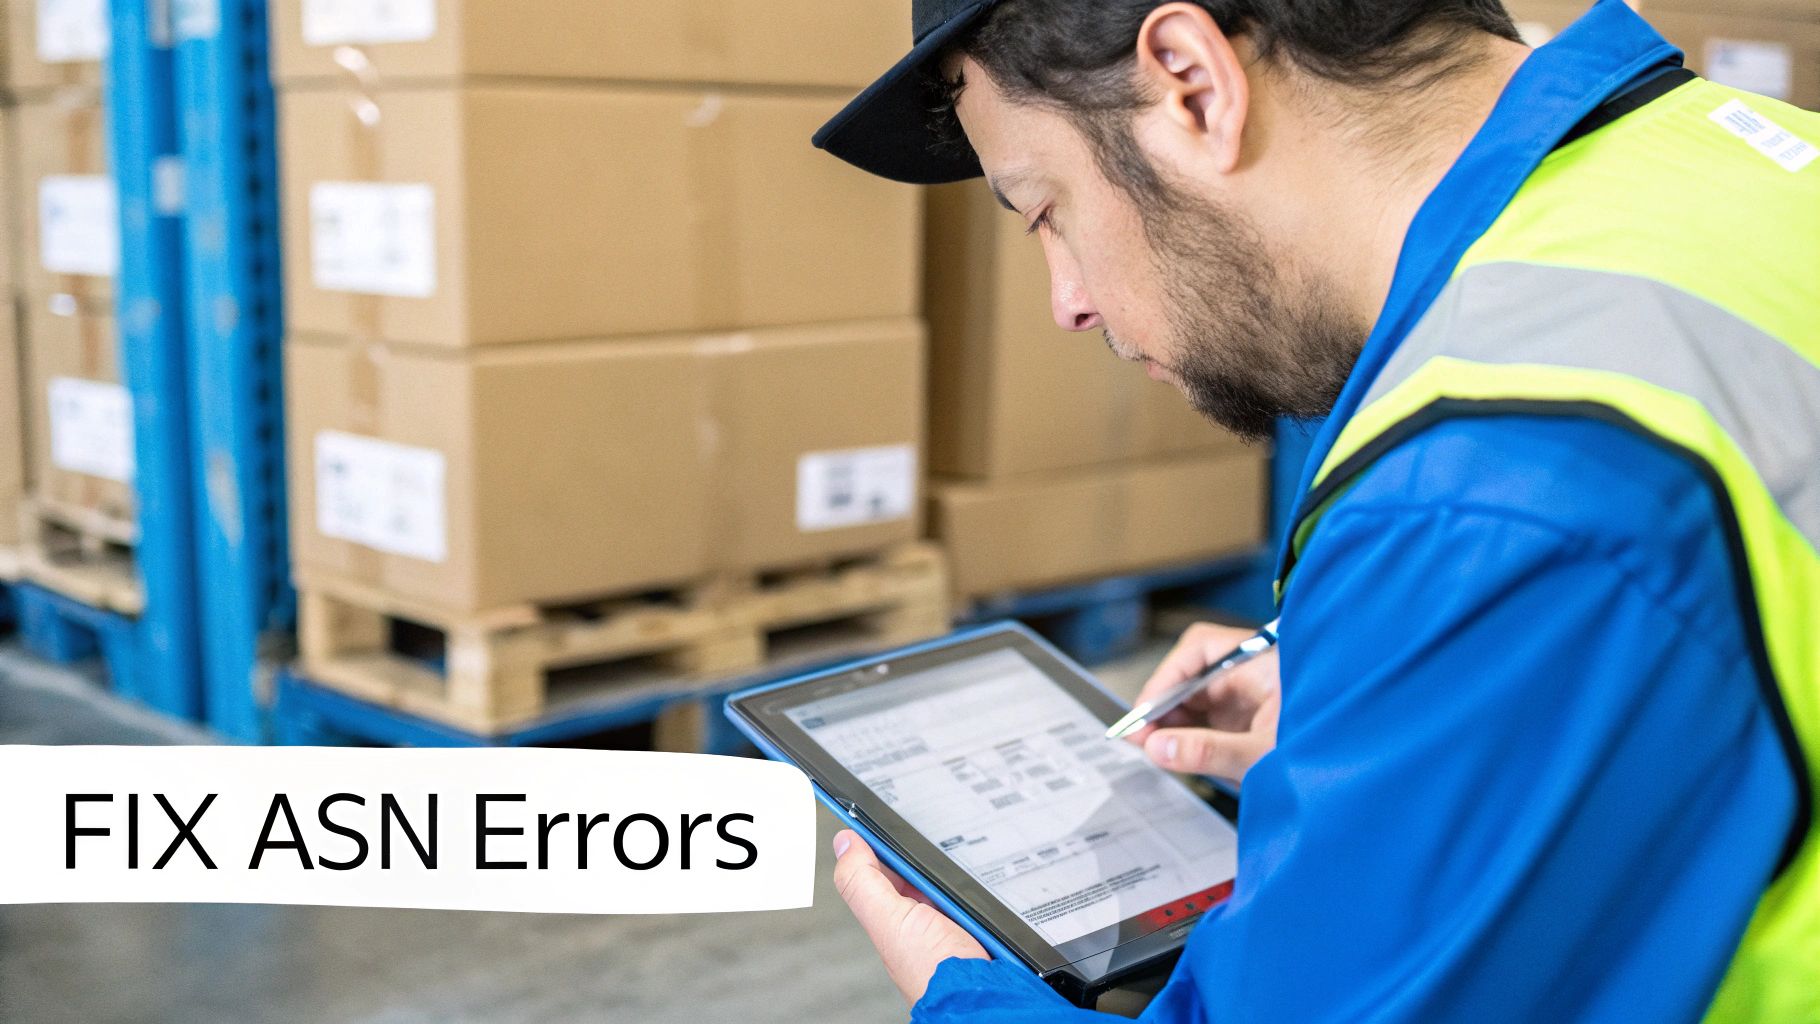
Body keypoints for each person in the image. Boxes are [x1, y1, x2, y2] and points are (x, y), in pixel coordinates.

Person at [810, 0, 1820, 1020]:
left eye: (1045, 211)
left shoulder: (1483, 503)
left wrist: (965, 998)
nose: (1066, 300)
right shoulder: (1743, 155)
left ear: (1192, 85)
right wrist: (1396, 685)